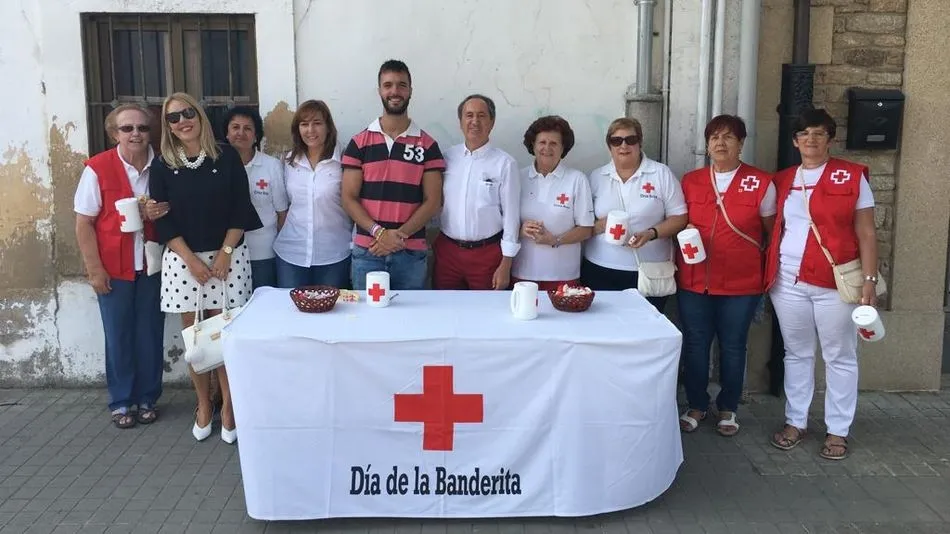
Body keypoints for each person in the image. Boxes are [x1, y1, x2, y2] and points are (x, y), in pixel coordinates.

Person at [764, 108, 879, 460]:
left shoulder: (851, 176)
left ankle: (837, 430)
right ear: (795, 141)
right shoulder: (782, 179)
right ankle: (796, 421)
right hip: (788, 280)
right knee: (796, 353)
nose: (810, 140)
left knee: (839, 356)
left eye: (818, 133)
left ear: (830, 138)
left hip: (835, 281)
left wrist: (870, 280)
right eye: (804, 134)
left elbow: (866, 231)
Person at [149, 92, 262, 444]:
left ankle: (229, 407)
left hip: (228, 259)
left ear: (199, 115)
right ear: (167, 125)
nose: (182, 121)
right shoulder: (163, 164)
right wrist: (192, 260)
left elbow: (240, 208)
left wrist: (226, 251)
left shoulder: (226, 156)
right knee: (196, 337)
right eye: (173, 117)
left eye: (188, 113)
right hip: (184, 262)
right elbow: (163, 222)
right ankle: (203, 404)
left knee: (224, 335)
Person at [676, 114, 775, 437]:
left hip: (741, 284)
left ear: (741, 143)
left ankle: (729, 406)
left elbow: (771, 234)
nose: (721, 143)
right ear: (707, 145)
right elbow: (677, 220)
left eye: (729, 137)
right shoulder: (690, 181)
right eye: (715, 137)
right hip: (694, 281)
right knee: (695, 345)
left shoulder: (760, 182)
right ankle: (696, 404)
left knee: (733, 346)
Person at [74, 104, 166, 429]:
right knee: (118, 336)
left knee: (149, 334)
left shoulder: (163, 165)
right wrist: (94, 269)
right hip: (114, 267)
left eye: (141, 128)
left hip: (153, 265)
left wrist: (162, 211)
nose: (136, 134)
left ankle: (147, 397)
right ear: (115, 133)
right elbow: (84, 224)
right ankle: (121, 400)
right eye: (127, 129)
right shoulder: (98, 168)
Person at [341, 59, 445, 290]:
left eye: (401, 85)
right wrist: (379, 233)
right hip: (367, 252)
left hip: (410, 254)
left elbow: (433, 201)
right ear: (379, 90)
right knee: (367, 322)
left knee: (410, 323)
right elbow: (348, 197)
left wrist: (397, 237)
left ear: (410, 90)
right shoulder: (359, 143)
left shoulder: (427, 145)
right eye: (388, 85)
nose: (394, 91)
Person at [582, 117, 687, 310]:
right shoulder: (597, 177)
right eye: (616, 141)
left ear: (639, 143)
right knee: (603, 330)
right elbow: (583, 221)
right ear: (609, 146)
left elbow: (679, 217)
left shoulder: (660, 174)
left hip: (647, 271)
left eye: (630, 140)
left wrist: (651, 233)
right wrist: (599, 226)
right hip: (599, 268)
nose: (623, 145)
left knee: (646, 332)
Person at [434, 94, 520, 290]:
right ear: (460, 122)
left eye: (481, 116)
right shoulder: (447, 158)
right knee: (445, 310)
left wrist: (506, 264)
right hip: (448, 253)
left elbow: (511, 217)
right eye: (469, 115)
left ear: (492, 122)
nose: (475, 121)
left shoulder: (505, 164)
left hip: (487, 255)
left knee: (486, 313)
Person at [274, 100, 352, 288]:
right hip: (291, 254)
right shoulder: (288, 162)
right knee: (293, 314)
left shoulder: (343, 161)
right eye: (304, 124)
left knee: (332, 314)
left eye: (317, 123)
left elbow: (353, 203)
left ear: (328, 127)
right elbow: (283, 207)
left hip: (334, 254)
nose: (310, 130)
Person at [511, 115, 594, 290]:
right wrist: (520, 230)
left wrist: (554, 240)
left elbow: (586, 229)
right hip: (522, 272)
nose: (547, 148)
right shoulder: (517, 177)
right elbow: (503, 222)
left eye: (554, 143)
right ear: (532, 145)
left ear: (563, 148)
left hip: (563, 275)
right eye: (542, 142)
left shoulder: (577, 179)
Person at [223, 106, 288, 289]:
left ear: (256, 135)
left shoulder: (271, 166)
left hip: (263, 253)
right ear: (227, 133)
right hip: (227, 254)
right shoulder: (216, 166)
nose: (240, 133)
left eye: (248, 128)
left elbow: (282, 213)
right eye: (235, 127)